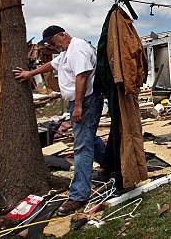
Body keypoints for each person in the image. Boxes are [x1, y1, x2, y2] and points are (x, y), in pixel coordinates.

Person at [13, 25, 107, 216]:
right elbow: (53, 64)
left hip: (86, 101)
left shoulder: (78, 47)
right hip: (80, 102)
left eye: (53, 42)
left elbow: (82, 76)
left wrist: (79, 105)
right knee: (88, 138)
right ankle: (112, 163)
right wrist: (30, 74)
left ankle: (79, 195)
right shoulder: (66, 51)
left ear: (62, 35)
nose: (53, 47)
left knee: (82, 147)